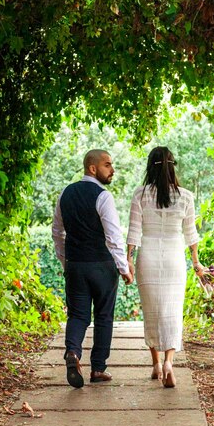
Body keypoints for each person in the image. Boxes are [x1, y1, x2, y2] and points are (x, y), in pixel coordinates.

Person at [52, 149, 133, 389]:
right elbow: (114, 236)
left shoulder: (65, 193)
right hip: (102, 266)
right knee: (104, 316)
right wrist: (123, 267)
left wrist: (66, 261)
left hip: (76, 266)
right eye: (108, 165)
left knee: (77, 315)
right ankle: (98, 368)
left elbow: (57, 232)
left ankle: (73, 353)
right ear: (92, 168)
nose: (113, 170)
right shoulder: (103, 196)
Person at [126, 146, 205, 388]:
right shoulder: (186, 196)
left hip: (148, 257)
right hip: (174, 258)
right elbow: (191, 234)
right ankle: (170, 362)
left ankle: (156, 364)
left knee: (152, 311)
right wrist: (196, 263)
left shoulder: (140, 195)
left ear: (150, 167)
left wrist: (127, 259)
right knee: (172, 310)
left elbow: (134, 232)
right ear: (173, 166)